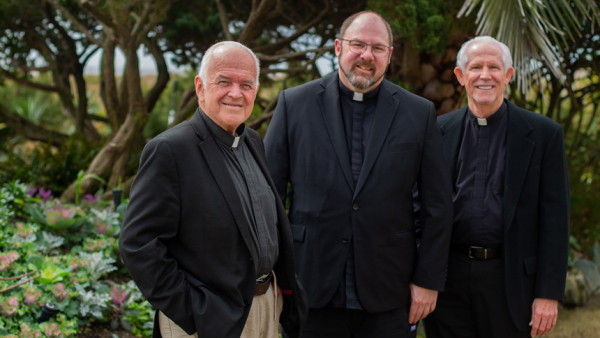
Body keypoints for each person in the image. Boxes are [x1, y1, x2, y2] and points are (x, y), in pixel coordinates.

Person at [264, 11, 453, 338]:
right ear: (338, 47)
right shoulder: (294, 104)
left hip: (388, 292)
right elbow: (267, 198)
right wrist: (274, 274)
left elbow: (438, 207)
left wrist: (427, 281)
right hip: (309, 285)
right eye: (358, 45)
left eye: (378, 48)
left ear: (389, 56)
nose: (367, 55)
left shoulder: (418, 113)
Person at [119, 41, 307, 338]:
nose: (236, 92)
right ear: (200, 87)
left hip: (266, 309)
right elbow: (138, 244)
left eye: (246, 84)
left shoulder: (253, 141)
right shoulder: (170, 150)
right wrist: (194, 311)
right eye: (224, 81)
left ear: (256, 91)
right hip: (208, 322)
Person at [423, 36, 570, 338]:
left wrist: (548, 294)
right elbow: (421, 208)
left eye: (494, 67)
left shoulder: (544, 134)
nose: (485, 75)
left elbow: (555, 221)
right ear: (461, 77)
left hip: (511, 279)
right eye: (476, 67)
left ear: (508, 75)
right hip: (449, 278)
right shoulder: (438, 132)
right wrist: (422, 279)